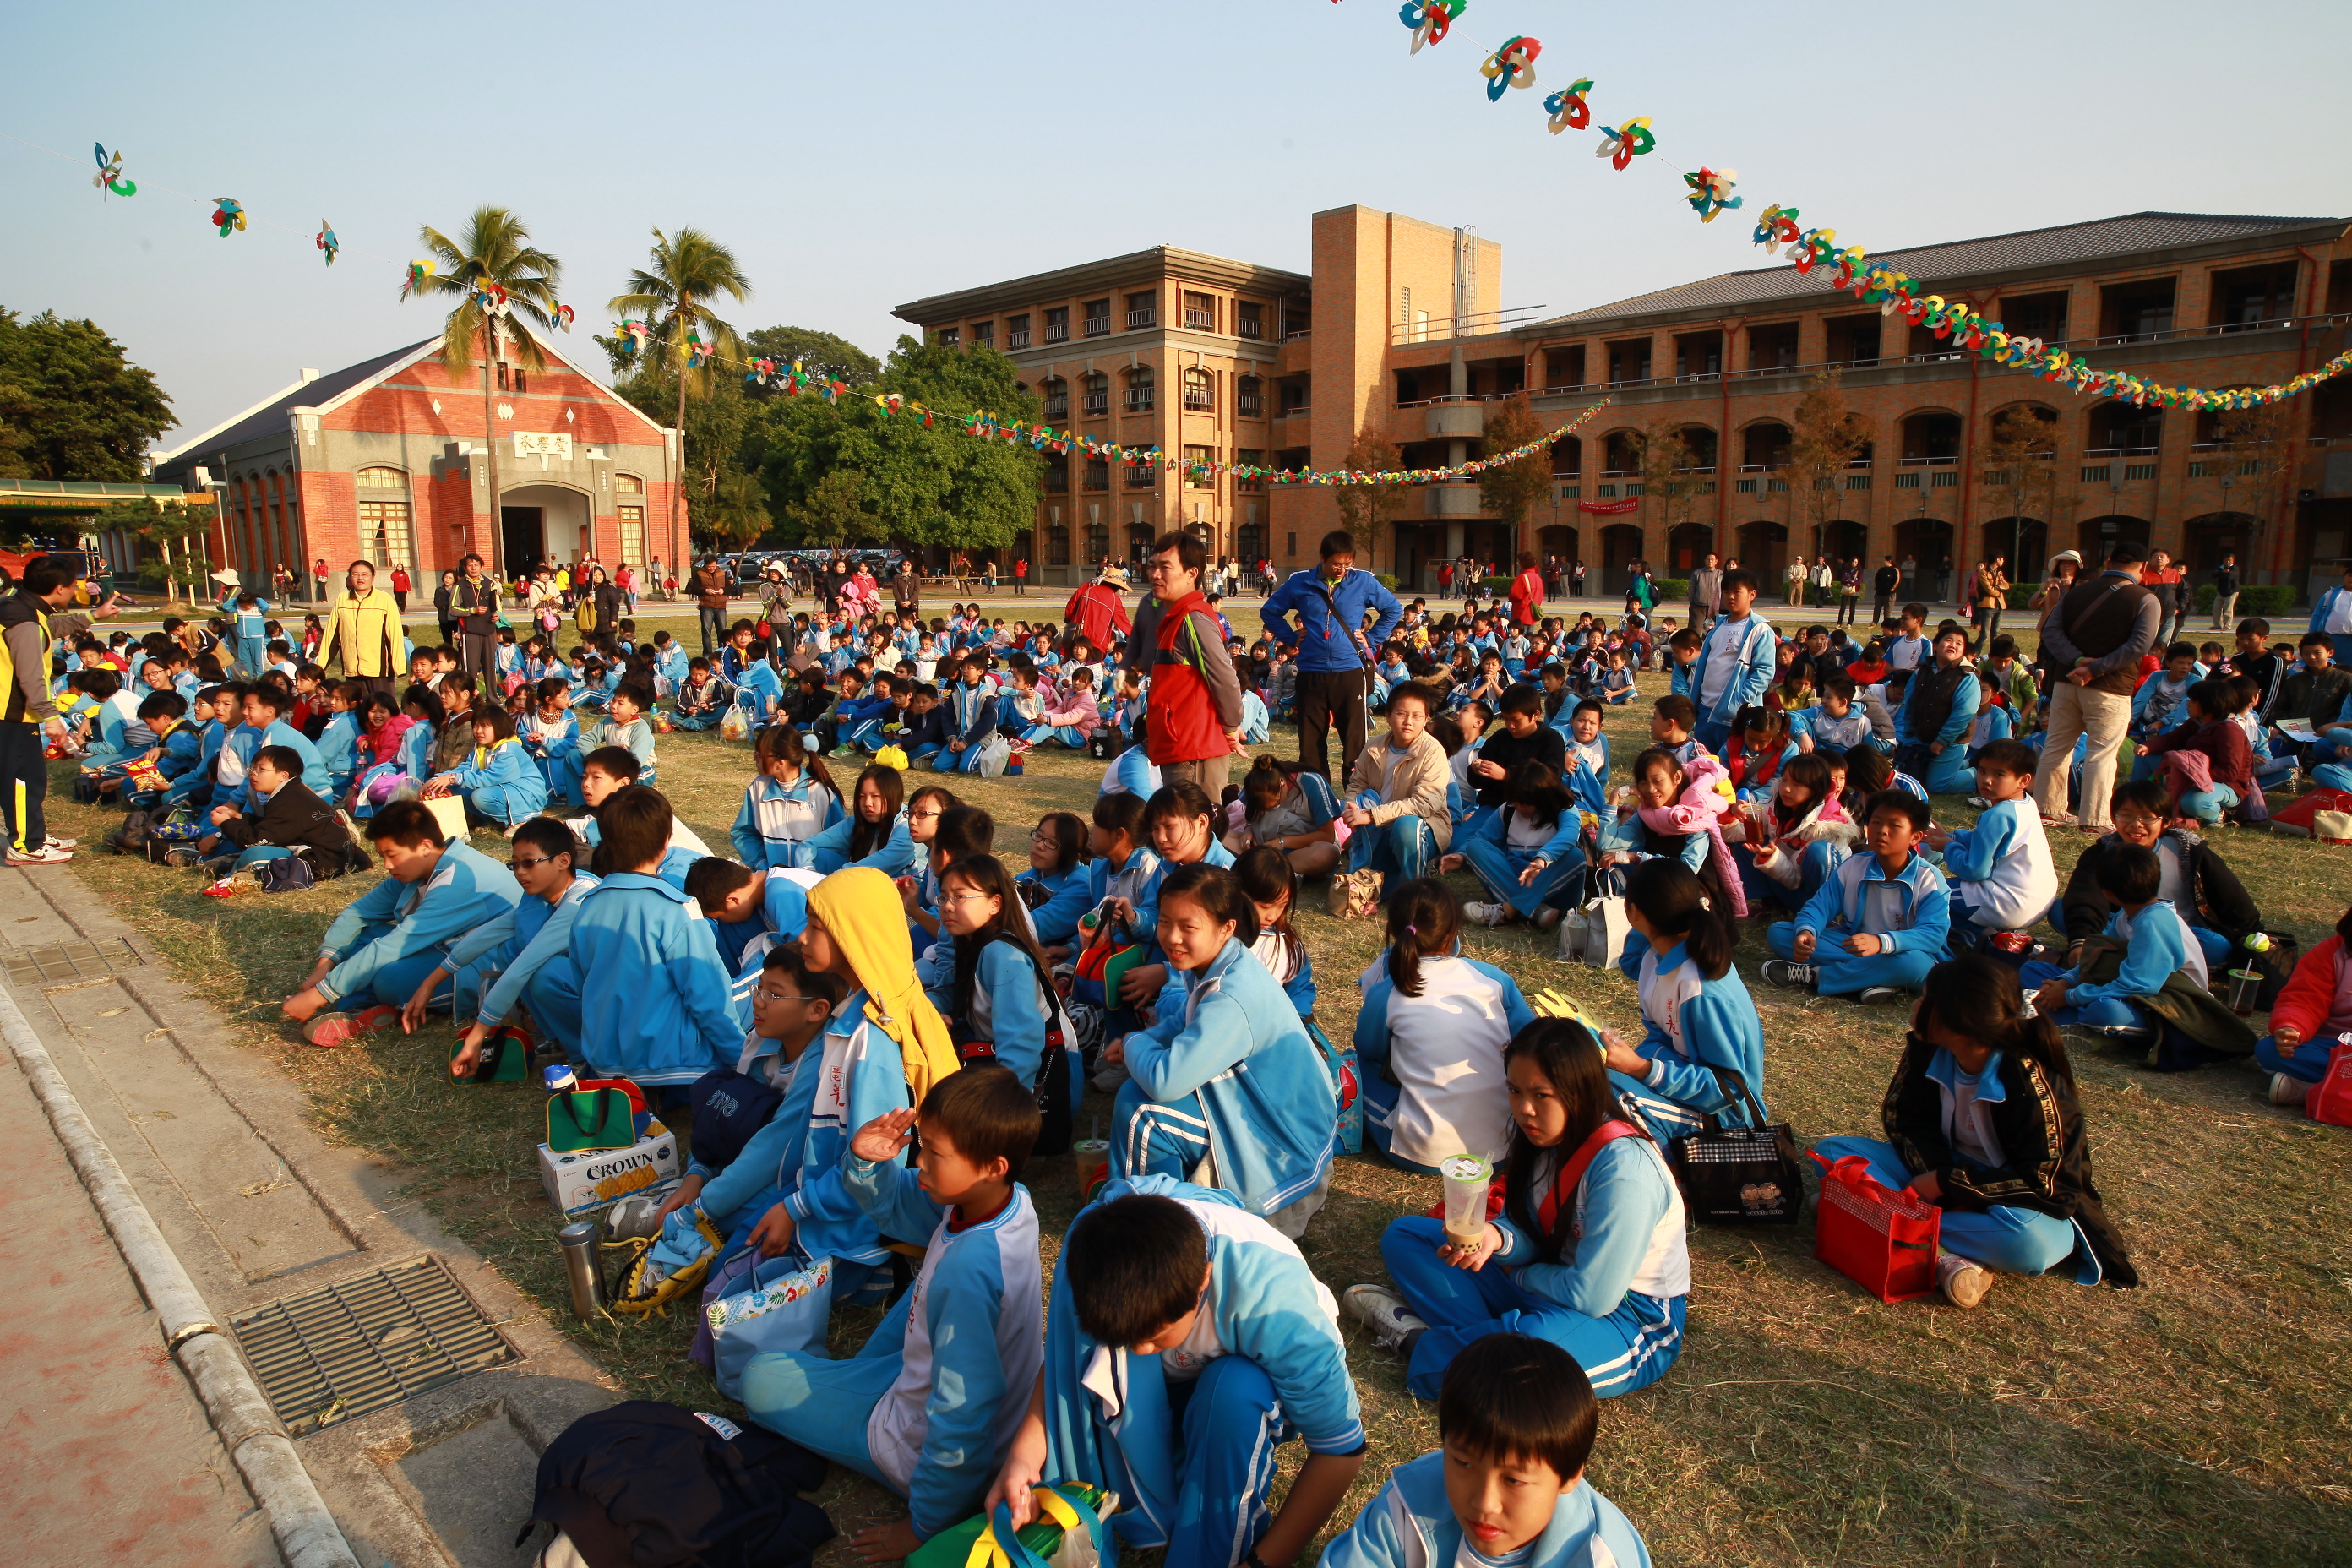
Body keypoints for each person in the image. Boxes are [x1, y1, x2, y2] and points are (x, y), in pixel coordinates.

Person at [740, 1070, 1043, 1560]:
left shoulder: (967, 1272)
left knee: (758, 1377)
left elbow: (962, 1412)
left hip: (918, 1444)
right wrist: (863, 1163)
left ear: (993, 1165)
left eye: (934, 1153)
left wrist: (926, 1524)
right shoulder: (1010, 1200)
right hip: (983, 1404)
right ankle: (856, 1384)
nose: (919, 1160)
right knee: (921, 1290)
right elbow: (899, 1205)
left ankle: (859, 1403)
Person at [991, 1177, 1365, 1568]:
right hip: (1177, 1386)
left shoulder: (1278, 1312)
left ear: (1204, 1280)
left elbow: (1341, 1450)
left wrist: (1263, 1563)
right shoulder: (1099, 1256)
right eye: (1127, 1339)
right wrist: (1023, 1458)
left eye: (1155, 1337)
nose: (1139, 1351)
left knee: (1234, 1390)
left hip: (1238, 1389)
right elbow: (1066, 1363)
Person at [1345, 1015, 1689, 1401]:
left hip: (1625, 1315)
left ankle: (1419, 1342)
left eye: (1542, 1095)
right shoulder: (1541, 1139)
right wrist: (1497, 1238)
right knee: (1407, 1237)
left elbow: (1593, 1295)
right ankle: (1493, 1337)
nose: (1524, 1109)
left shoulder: (1626, 1168)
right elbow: (1528, 1229)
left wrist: (1518, 1274)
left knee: (1519, 1363)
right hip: (1550, 1280)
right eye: (1514, 1090)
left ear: (1581, 1090)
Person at [1814, 955, 2139, 1306]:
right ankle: (1949, 1253)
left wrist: (1947, 1184)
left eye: (1926, 999)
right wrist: (1937, 1177)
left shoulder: (2033, 1081)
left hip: (2015, 1203)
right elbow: (1906, 1123)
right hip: (1937, 1172)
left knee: (2029, 1245)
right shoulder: (1926, 1049)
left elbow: (2049, 1185)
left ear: (1960, 1020)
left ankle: (1870, 1216)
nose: (1915, 1005)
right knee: (1834, 1153)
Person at [1104, 864, 1337, 1227]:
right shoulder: (1222, 961)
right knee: (1142, 1090)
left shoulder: (1232, 995)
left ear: (1226, 927)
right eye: (1164, 922)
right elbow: (1187, 1019)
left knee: (1141, 1110)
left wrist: (1133, 1041)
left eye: (1188, 927)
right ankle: (1166, 1206)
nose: (1172, 937)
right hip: (1278, 1127)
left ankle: (1148, 1228)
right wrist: (1145, 1040)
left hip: (1284, 1161)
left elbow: (1165, 1081)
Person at [1320, 1335, 1654, 1568]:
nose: (1484, 1502)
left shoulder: (1600, 1557)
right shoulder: (1409, 1505)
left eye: (1514, 1480)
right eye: (1463, 1463)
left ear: (1569, 1476)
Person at [279, 800, 523, 1047]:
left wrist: (319, 995)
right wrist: (324, 967)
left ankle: (369, 1004)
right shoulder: (424, 865)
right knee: (361, 936)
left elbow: (395, 945)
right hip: (448, 949)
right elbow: (357, 914)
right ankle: (359, 1009)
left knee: (390, 980)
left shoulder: (458, 883)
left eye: (392, 855)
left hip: (483, 967)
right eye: (382, 856)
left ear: (424, 846)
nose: (387, 865)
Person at [1355, 879, 1534, 1172]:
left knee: (1353, 1069)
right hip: (1506, 1143)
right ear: (1453, 932)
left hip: (1423, 1150)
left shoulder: (1388, 991)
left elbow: (1368, 1050)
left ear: (1393, 931)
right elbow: (1531, 1038)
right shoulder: (1493, 979)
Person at [439, 818, 596, 1072]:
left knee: (543, 973)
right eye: (515, 864)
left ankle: (585, 1056)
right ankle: (560, 1037)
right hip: (591, 979)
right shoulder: (546, 893)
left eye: (529, 862)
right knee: (510, 948)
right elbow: (491, 932)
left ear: (563, 861)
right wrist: (430, 983)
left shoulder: (579, 901)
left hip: (615, 994)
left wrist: (475, 1039)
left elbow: (521, 969)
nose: (520, 871)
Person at [1763, 789, 1949, 1002]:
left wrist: (1881, 942)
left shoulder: (1928, 878)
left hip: (1905, 953)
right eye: (1876, 823)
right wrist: (1807, 931)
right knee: (1780, 933)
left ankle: (1815, 976)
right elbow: (1820, 906)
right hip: (1854, 947)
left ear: (1915, 837)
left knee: (1915, 964)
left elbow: (1933, 935)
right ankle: (1876, 979)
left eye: (1894, 826)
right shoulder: (1855, 865)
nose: (1882, 831)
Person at [2033, 542, 2159, 833]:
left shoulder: (2077, 593)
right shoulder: (2145, 598)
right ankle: (2095, 819)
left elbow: (2051, 631)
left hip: (2067, 680)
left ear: (2109, 562)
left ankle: (2047, 809)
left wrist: (2077, 660)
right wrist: (2096, 668)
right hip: (2111, 686)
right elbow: (2140, 645)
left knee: (2056, 746)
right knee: (2101, 753)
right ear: (2143, 567)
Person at [1263, 530, 1403, 783]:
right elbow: (1270, 611)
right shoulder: (1301, 582)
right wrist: (1292, 638)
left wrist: (1372, 638)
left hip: (1349, 671)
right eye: (1337, 564)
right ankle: (1316, 794)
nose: (1342, 570)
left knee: (1354, 742)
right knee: (1311, 742)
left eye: (1348, 564)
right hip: (1311, 672)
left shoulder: (1363, 582)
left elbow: (1393, 608)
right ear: (1322, 557)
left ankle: (1355, 795)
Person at [1124, 531, 1245, 794]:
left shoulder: (1194, 619)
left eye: (1165, 567)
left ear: (1192, 573)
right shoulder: (1175, 618)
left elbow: (1224, 679)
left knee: (1193, 820)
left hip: (1194, 753)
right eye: (1152, 566)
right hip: (1180, 748)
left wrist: (1231, 727)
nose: (1155, 574)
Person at [0, 557, 81, 863]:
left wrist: (93, 616)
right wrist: (51, 717)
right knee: (24, 779)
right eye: (73, 585)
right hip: (13, 713)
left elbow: (50, 627)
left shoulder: (19, 606)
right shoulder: (26, 622)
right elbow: (30, 676)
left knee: (26, 776)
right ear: (59, 588)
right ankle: (26, 845)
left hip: (11, 712)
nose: (75, 590)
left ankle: (32, 832)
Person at [1443, 762, 1583, 931]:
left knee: (1575, 856)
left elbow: (1568, 835)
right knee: (1475, 846)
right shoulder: (1508, 810)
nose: (1520, 807)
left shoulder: (1565, 809)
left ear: (1542, 797)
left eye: (1526, 803)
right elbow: (1483, 837)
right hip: (1516, 880)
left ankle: (1510, 909)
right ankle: (1536, 910)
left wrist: (1542, 859)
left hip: (1555, 887)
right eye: (1516, 801)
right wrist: (1461, 855)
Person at [1342, 680, 1453, 890]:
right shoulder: (1373, 746)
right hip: (1378, 829)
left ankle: (1414, 889)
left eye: (1417, 716)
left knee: (1406, 827)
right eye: (1401, 714)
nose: (1408, 722)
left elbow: (1425, 803)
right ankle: (1397, 878)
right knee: (1364, 884)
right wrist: (1351, 807)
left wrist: (1372, 815)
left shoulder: (1433, 751)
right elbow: (1356, 784)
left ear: (1426, 719)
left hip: (1422, 827)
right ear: (1388, 716)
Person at [2256, 904, 2352, 1105]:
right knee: (2270, 1050)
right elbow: (2305, 998)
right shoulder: (2333, 952)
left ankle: (2308, 1091)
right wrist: (2292, 1027)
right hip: (2332, 1046)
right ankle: (2334, 1090)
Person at [732, 724, 841, 872]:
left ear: (780, 763)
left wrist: (812, 873)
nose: (754, 759)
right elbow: (743, 834)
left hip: (813, 881)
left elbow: (839, 845)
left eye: (759, 755)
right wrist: (763, 866)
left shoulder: (822, 795)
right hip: (772, 879)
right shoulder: (757, 789)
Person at [1685, 569, 1774, 751]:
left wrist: (1739, 702)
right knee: (1705, 762)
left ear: (1752, 595)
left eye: (1737, 592)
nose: (1730, 597)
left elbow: (1764, 672)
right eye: (1726, 592)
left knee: (1731, 764)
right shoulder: (1717, 627)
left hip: (1735, 716)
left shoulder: (1759, 630)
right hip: (1705, 711)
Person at [1892, 623, 1982, 796]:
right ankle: (1958, 765)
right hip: (1921, 737)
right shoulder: (1921, 672)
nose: (1953, 645)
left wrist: (1942, 741)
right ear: (1935, 645)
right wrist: (1908, 736)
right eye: (1948, 640)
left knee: (1937, 786)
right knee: (1914, 779)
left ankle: (1979, 772)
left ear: (1963, 651)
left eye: (1959, 643)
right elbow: (1909, 705)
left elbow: (1962, 715)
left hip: (1952, 741)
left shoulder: (1967, 677)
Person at [311, 560, 406, 695]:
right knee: (357, 707)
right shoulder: (342, 599)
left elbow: (394, 635)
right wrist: (320, 666)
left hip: (379, 670)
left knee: (381, 707)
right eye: (355, 574)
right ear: (350, 577)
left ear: (373, 576)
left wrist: (398, 666)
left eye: (365, 574)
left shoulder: (384, 599)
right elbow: (331, 635)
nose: (360, 578)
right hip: (352, 669)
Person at [452, 554, 499, 678]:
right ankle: (471, 690)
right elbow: (452, 609)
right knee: (471, 669)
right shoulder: (459, 586)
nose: (473, 568)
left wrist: (495, 615)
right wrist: (472, 611)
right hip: (470, 631)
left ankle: (492, 692)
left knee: (490, 668)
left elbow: (494, 606)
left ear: (482, 567)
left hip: (488, 630)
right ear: (465, 568)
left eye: (476, 565)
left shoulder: (490, 584)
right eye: (470, 565)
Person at [2308, 562, 2352, 667]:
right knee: (2325, 666)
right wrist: (2312, 635)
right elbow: (2317, 615)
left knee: (2348, 668)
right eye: (2350, 575)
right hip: (2329, 638)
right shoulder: (2331, 594)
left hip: (2349, 640)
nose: (2351, 579)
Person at [693, 557, 732, 657]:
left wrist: (723, 590)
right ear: (705, 565)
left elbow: (729, 587)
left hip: (721, 606)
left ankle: (723, 652)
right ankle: (707, 654)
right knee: (706, 631)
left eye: (714, 566)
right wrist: (705, 591)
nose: (712, 568)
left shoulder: (722, 573)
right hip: (706, 606)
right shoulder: (700, 574)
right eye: (709, 566)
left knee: (722, 631)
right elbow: (694, 589)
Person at [1685, 552, 1722, 629]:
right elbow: (1692, 588)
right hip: (1698, 606)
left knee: (1710, 630)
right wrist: (1692, 602)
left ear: (1716, 561)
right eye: (1708, 559)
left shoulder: (1720, 574)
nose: (1710, 561)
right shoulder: (1697, 573)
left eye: (1712, 559)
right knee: (1696, 628)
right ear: (1705, 560)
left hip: (1714, 608)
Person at [1870, 555, 1901, 625]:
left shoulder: (1895, 570)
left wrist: (1891, 589)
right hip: (1879, 593)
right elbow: (1876, 579)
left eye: (1884, 560)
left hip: (1889, 594)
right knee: (1877, 609)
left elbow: (1897, 581)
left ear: (1889, 561)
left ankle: (1886, 624)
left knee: (1887, 611)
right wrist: (1877, 588)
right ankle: (1874, 623)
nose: (1883, 562)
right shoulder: (1881, 570)